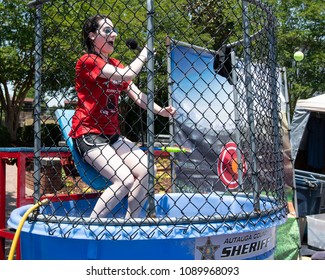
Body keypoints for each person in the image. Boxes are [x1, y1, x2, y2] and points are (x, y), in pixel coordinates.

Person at [69, 15, 176, 219]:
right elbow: (128, 74)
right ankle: (92, 226)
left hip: (112, 135)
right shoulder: (88, 61)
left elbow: (137, 96)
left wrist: (161, 111)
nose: (114, 34)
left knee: (147, 170)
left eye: (114, 30)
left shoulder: (116, 63)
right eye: (107, 31)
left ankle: (131, 222)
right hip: (89, 132)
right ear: (92, 36)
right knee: (124, 179)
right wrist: (145, 53)